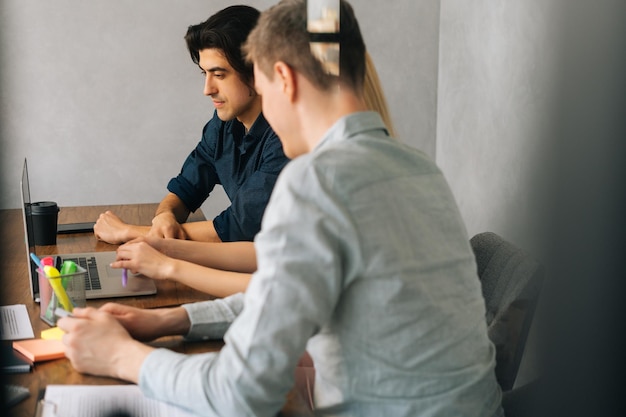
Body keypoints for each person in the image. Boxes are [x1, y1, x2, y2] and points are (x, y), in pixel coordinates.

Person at [59, 1, 503, 416]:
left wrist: (120, 355)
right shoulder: (421, 168)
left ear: (284, 79)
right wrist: (174, 320)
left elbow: (240, 393)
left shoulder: (316, 182)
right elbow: (281, 293)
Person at [109, 53, 399, 296]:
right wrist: (165, 250)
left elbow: (277, 291)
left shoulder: (322, 177)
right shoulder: (390, 167)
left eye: (269, 87)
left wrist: (167, 264)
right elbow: (272, 255)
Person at [93, 5, 289, 245]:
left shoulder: (287, 137)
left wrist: (130, 232)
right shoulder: (224, 124)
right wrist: (165, 216)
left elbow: (237, 229)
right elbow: (186, 188)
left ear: (257, 72)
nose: (207, 89)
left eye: (219, 75)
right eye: (204, 74)